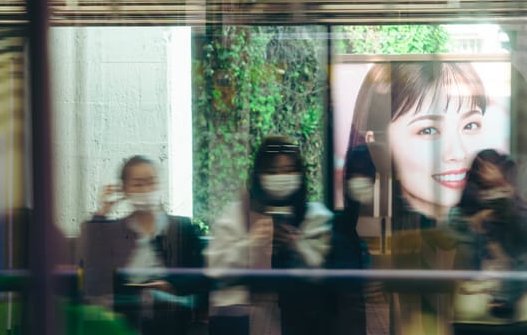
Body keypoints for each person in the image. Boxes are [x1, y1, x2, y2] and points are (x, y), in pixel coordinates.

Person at [345, 61, 489, 334]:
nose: (457, 152)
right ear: (378, 145)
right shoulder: (375, 234)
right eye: (428, 130)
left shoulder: (475, 228)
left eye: (470, 125)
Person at [206, 135, 333, 335]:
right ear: (259, 175)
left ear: (300, 174)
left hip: (301, 319)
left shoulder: (316, 216)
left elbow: (325, 273)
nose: (281, 177)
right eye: (273, 171)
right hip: (241, 320)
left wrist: (297, 245)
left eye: (289, 170)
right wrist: (252, 244)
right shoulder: (236, 213)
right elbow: (216, 269)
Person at [77, 155, 203, 335]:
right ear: (125, 190)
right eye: (137, 184)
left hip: (172, 315)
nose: (146, 190)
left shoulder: (181, 228)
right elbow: (93, 266)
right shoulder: (116, 230)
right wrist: (103, 211)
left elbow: (200, 275)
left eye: (151, 182)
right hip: (127, 315)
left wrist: (170, 285)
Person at [450, 149, 527, 324]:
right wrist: (477, 220)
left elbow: (522, 236)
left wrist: (507, 201)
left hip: (511, 283)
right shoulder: (467, 202)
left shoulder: (514, 199)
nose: (486, 172)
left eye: (491, 166)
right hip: (478, 282)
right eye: (481, 168)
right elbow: (457, 230)